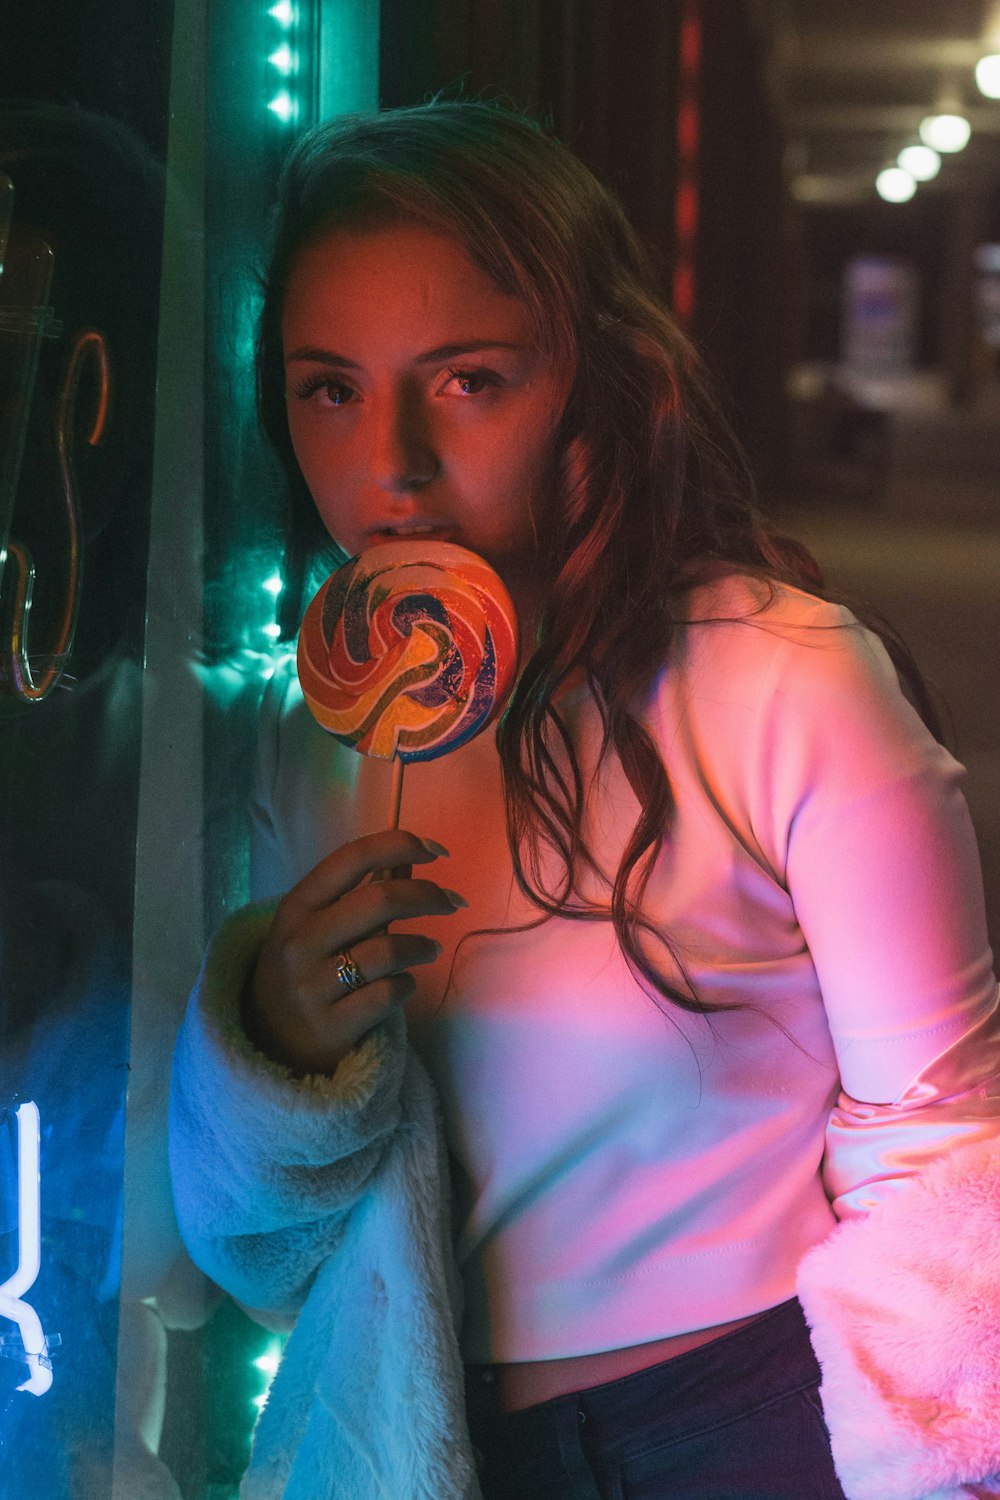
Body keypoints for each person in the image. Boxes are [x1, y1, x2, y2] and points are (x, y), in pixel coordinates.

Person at [168, 98, 1000, 1500]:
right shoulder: (307, 734)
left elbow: (943, 1160)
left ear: (594, 383)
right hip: (410, 1430)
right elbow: (258, 1265)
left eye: (468, 379)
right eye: (331, 387)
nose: (393, 463)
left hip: (752, 1426)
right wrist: (274, 1053)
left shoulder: (785, 682)